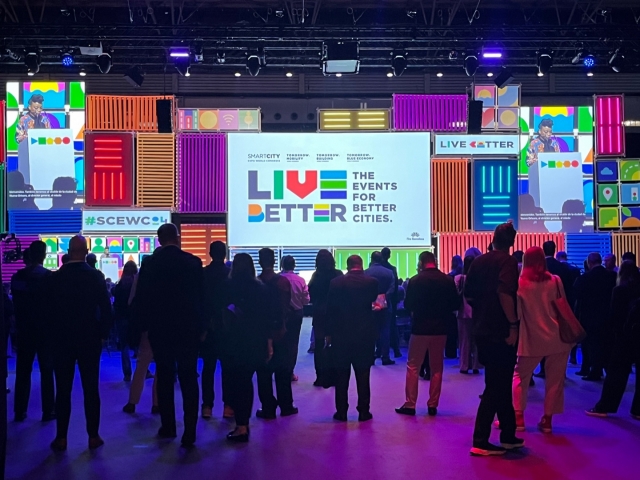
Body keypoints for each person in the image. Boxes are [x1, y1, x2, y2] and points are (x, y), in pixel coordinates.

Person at [134, 224, 205, 448]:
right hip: (188, 330)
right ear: (177, 237)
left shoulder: (150, 264)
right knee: (188, 378)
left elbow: (142, 299)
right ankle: (190, 432)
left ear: (158, 239)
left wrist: (142, 329)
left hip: (160, 329)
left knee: (164, 377)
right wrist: (202, 328)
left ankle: (168, 426)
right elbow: (201, 299)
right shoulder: (193, 262)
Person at [464, 222, 524, 456]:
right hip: (501, 330)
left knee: (498, 382)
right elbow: (504, 292)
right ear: (511, 242)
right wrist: (513, 324)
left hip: (482, 329)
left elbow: (468, 295)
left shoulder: (478, 261)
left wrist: (483, 310)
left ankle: (508, 434)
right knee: (497, 385)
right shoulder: (508, 262)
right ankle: (480, 439)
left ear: (493, 238)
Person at [48, 236, 113, 451]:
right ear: (85, 251)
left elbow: (48, 311)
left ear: (68, 251)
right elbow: (106, 309)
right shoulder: (95, 277)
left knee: (63, 389)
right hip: (89, 339)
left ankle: (61, 438)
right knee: (90, 389)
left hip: (61, 340)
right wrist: (102, 334)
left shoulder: (56, 277)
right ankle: (93, 436)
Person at [512, 247, 573, 434]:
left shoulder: (520, 284)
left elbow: (518, 314)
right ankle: (547, 420)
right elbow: (563, 307)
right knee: (555, 380)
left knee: (519, 377)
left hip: (532, 338)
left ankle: (518, 417)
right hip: (558, 338)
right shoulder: (555, 281)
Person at [396, 251, 460, 417]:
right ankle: (433, 405)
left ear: (421, 263)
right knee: (437, 367)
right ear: (435, 261)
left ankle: (410, 404)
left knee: (413, 365)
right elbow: (455, 303)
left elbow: (408, 304)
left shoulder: (415, 281)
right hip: (440, 329)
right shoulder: (447, 280)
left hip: (420, 328)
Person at [222, 253, 273, 442]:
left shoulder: (227, 287)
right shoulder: (261, 288)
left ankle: (240, 424)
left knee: (237, 382)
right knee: (247, 382)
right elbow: (268, 318)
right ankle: (243, 425)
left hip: (233, 341)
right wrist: (268, 343)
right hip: (255, 341)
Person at [326, 255, 379, 422]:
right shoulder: (372, 283)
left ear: (347, 266)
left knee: (342, 376)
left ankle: (341, 411)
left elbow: (330, 310)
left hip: (341, 336)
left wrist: (329, 334)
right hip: (364, 335)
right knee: (363, 375)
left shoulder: (336, 283)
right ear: (361, 265)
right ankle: (364, 411)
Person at [11, 241, 55, 422]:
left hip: (24, 330)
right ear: (43, 255)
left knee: (23, 371)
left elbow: (16, 303)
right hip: (45, 331)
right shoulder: (49, 277)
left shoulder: (17, 277)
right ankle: (48, 411)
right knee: (47, 370)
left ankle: (20, 410)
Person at [587, 277, 640, 419]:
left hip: (624, 338)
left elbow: (614, 316)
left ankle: (605, 406)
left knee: (616, 374)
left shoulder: (620, 290)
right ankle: (638, 409)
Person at [255, 248, 296, 418]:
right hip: (282, 330)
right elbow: (287, 307)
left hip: (262, 333)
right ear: (274, 261)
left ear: (259, 261)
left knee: (264, 372)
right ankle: (286, 406)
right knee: (283, 370)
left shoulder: (257, 283)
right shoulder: (283, 282)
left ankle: (268, 408)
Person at [200, 241, 232, 420]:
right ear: (225, 254)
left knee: (208, 368)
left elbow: (201, 302)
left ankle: (207, 406)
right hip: (227, 328)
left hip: (208, 327)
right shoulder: (230, 275)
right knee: (227, 368)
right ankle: (228, 406)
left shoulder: (203, 274)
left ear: (210, 254)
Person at [573, 252, 617, 381]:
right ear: (600, 261)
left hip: (589, 317)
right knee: (606, 344)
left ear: (589, 263)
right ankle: (607, 371)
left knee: (592, 345)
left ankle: (595, 371)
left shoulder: (584, 278)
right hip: (608, 316)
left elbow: (577, 295)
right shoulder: (612, 276)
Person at [122, 270, 158, 415]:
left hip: (146, 327)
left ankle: (132, 402)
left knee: (142, 364)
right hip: (165, 326)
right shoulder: (168, 274)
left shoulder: (141, 278)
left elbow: (131, 302)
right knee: (162, 366)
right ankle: (157, 404)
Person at [308, 250, 344, 387]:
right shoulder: (338, 274)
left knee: (318, 345)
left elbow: (310, 294)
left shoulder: (316, 276)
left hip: (319, 313)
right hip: (335, 313)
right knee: (335, 344)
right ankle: (334, 375)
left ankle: (320, 376)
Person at [280, 256, 310, 380]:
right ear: (294, 266)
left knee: (280, 342)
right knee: (293, 343)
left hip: (281, 314)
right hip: (296, 315)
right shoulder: (300, 280)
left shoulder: (278, 279)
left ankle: (279, 371)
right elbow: (306, 300)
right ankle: (289, 372)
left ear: (282, 265)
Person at [364, 252, 396, 366]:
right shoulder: (389, 272)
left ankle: (370, 356)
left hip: (369, 306)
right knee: (385, 331)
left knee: (370, 331)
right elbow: (392, 289)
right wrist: (382, 299)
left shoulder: (366, 273)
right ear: (381, 259)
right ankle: (385, 357)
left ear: (371, 259)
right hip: (385, 305)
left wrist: (373, 299)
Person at [112, 261, 138, 382]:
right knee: (139, 344)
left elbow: (116, 302)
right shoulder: (137, 285)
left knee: (124, 346)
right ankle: (144, 370)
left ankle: (127, 373)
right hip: (134, 318)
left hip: (121, 318)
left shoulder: (119, 285)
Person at [455, 256, 481, 375]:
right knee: (476, 341)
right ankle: (476, 365)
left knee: (464, 341)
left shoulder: (459, 279)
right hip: (477, 312)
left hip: (462, 312)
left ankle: (464, 365)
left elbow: (455, 295)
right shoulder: (479, 278)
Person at [381, 247, 402, 358]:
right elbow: (395, 288)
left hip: (377, 301)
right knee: (391, 326)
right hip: (390, 301)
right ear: (389, 255)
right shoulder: (392, 269)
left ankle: (378, 351)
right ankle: (396, 350)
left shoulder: (374, 268)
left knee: (378, 325)